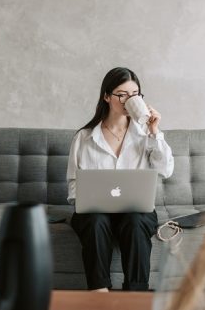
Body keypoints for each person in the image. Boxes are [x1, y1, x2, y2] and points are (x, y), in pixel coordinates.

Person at [66, 67, 174, 292]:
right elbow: (74, 185)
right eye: (122, 94)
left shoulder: (146, 134)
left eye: (135, 95)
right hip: (95, 213)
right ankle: (99, 292)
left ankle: (136, 294)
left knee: (135, 222)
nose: (129, 100)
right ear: (107, 96)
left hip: (135, 211)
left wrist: (155, 131)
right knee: (95, 222)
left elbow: (165, 170)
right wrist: (86, 200)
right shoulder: (84, 137)